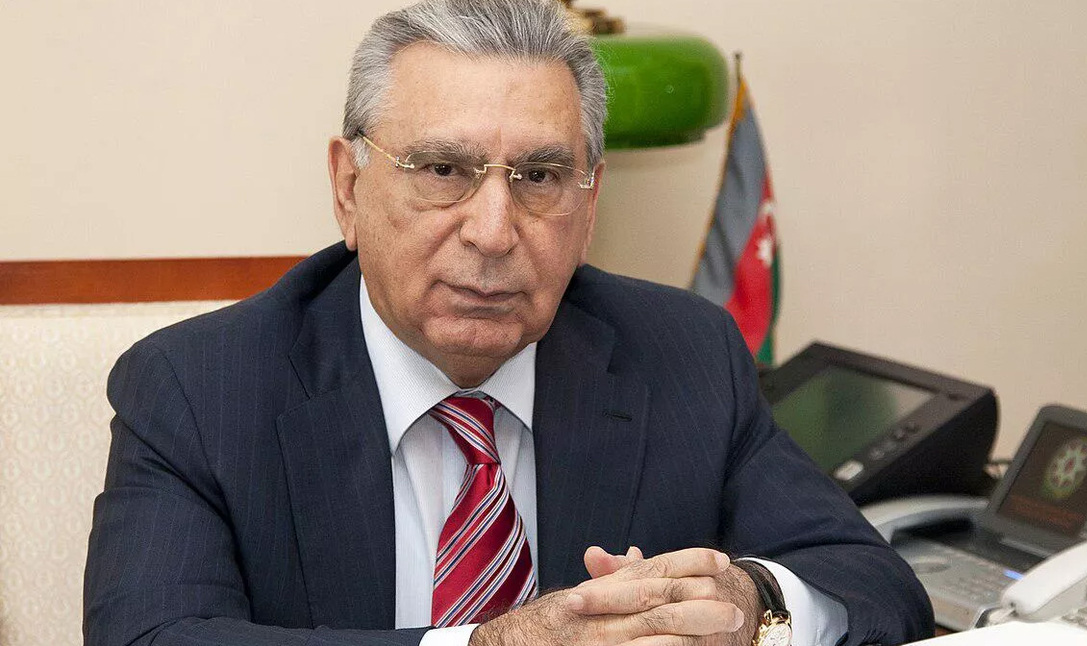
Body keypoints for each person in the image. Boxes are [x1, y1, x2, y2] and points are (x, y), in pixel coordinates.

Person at [83, 1, 933, 645]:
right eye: (442, 169)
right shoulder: (200, 389)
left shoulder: (684, 354)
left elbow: (873, 583)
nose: (493, 232)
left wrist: (753, 605)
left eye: (539, 177)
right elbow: (153, 636)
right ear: (348, 190)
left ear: (588, 207)